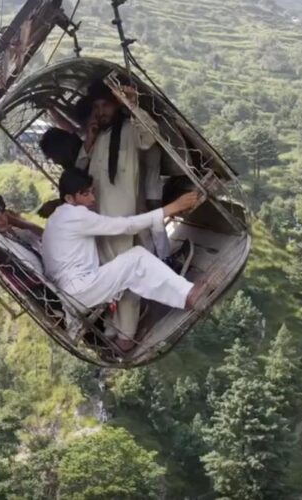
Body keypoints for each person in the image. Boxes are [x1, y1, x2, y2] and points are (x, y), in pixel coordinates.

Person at [42, 169, 206, 351]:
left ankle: (172, 294)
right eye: (85, 194)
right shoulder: (74, 216)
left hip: (72, 291)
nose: (92, 199)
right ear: (69, 199)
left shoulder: (56, 219)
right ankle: (187, 295)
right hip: (79, 289)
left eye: (92, 192)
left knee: (128, 266)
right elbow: (126, 226)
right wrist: (170, 208)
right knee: (137, 258)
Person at [75, 80, 173, 341]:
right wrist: (90, 139)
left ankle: (126, 334)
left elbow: (150, 137)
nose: (100, 112)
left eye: (105, 105)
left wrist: (134, 104)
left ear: (117, 104)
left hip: (125, 220)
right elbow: (79, 169)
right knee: (106, 276)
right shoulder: (98, 136)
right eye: (96, 107)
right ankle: (111, 327)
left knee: (128, 277)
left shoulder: (130, 129)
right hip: (99, 222)